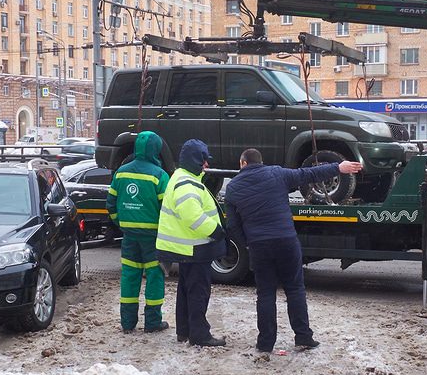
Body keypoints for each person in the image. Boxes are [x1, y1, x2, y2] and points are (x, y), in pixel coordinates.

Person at [225, 149, 363, 353]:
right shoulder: (277, 173)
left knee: (265, 294)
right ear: (261, 162)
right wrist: (338, 168)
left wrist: (249, 241)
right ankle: (303, 337)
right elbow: (308, 174)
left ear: (242, 163)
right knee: (295, 289)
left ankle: (265, 343)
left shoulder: (233, 187)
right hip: (285, 240)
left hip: (259, 245)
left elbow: (233, 225)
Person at [156, 139, 227, 347]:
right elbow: (192, 216)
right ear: (195, 160)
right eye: (204, 160)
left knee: (187, 290)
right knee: (198, 292)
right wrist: (216, 231)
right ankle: (199, 335)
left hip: (187, 247)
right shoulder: (186, 183)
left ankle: (185, 331)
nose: (206, 165)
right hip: (194, 248)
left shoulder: (182, 178)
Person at [106, 131, 170, 334]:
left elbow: (111, 204)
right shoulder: (159, 175)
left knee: (129, 277)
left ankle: (127, 323)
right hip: (153, 238)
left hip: (129, 237)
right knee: (154, 277)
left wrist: (121, 223)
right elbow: (166, 209)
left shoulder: (121, 172)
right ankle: (152, 323)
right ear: (156, 150)